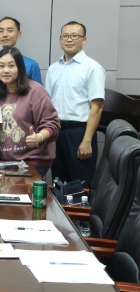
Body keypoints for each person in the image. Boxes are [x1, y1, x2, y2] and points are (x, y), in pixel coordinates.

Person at [46, 21, 105, 184]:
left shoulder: (93, 68)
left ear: (84, 40)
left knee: (79, 186)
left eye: (74, 36)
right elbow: (48, 104)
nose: (69, 39)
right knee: (58, 183)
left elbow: (97, 108)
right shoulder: (53, 69)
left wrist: (87, 141)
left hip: (79, 133)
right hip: (57, 132)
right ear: (60, 39)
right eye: (65, 36)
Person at [0, 47, 60, 177]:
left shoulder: (35, 91)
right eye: (1, 66)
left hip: (33, 160)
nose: (5, 70)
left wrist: (39, 137)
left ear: (20, 68)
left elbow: (52, 124)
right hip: (7, 161)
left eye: (11, 66)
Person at [0, 16, 42, 86]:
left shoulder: (31, 65)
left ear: (18, 34)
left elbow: (38, 91)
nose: (5, 35)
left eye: (10, 30)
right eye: (1, 31)